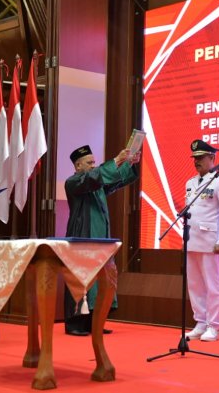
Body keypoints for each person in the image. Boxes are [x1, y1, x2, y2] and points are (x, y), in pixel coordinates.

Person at [63, 144, 140, 336]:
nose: (93, 165)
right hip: (82, 238)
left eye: (94, 162)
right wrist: (116, 160)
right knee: (80, 278)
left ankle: (93, 322)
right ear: (78, 166)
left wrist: (128, 164)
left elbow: (116, 181)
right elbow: (94, 177)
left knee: (98, 280)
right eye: (89, 163)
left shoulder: (95, 185)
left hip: (100, 239)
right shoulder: (72, 182)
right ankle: (75, 323)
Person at [183, 140, 219, 342]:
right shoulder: (190, 182)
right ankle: (200, 322)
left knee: (213, 286)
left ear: (212, 158)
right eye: (195, 158)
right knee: (195, 285)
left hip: (210, 241)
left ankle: (213, 325)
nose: (197, 161)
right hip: (192, 240)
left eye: (201, 157)